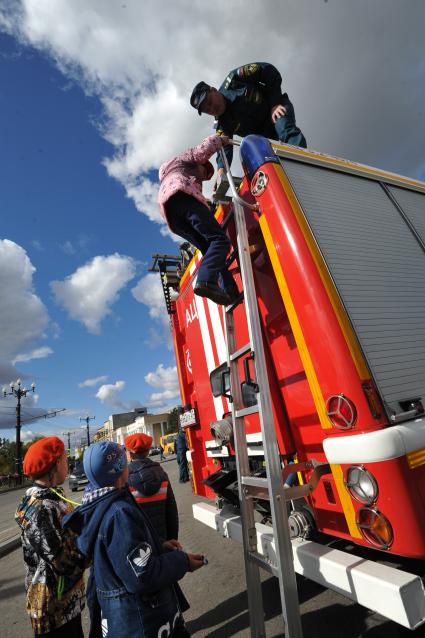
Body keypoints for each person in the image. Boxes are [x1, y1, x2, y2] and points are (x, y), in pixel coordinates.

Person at [63, 441, 205, 638]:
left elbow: (122, 556)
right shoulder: (119, 513)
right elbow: (142, 576)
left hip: (125, 617)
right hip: (142, 621)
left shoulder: (100, 504)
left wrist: (158, 546)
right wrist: (183, 562)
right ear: (120, 469)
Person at [15, 436, 86, 638]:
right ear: (55, 466)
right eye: (65, 459)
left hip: (65, 604)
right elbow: (62, 562)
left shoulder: (51, 499)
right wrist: (89, 545)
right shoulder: (40, 509)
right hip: (53, 610)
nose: (68, 464)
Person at [157, 133, 239, 306]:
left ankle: (229, 289)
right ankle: (206, 280)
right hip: (183, 198)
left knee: (211, 248)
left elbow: (194, 196)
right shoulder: (186, 159)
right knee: (220, 240)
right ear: (200, 164)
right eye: (205, 172)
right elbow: (203, 150)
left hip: (172, 216)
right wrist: (220, 140)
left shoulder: (170, 175)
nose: (204, 177)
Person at [190, 62, 306, 173]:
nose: (212, 109)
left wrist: (274, 102)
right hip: (265, 136)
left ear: (214, 90)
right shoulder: (222, 124)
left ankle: (302, 164)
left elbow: (269, 70)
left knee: (285, 128)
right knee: (259, 157)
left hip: (275, 109)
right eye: (207, 110)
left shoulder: (235, 79)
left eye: (210, 102)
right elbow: (225, 147)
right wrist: (222, 172)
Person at [125, 433, 179, 540]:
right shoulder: (162, 474)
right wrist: (173, 540)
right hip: (163, 540)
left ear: (130, 455)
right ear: (148, 451)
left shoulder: (125, 480)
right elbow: (171, 511)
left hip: (140, 543)